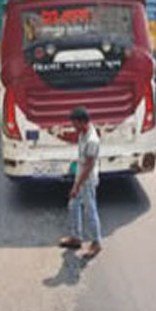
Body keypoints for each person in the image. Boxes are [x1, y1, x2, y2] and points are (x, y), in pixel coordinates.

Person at [59, 106, 102, 259]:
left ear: (83, 122)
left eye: (75, 124)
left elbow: (89, 166)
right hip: (80, 175)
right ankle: (76, 237)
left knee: (90, 211)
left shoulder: (92, 140)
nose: (73, 127)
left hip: (87, 179)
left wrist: (77, 186)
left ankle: (96, 243)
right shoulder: (83, 133)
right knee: (73, 205)